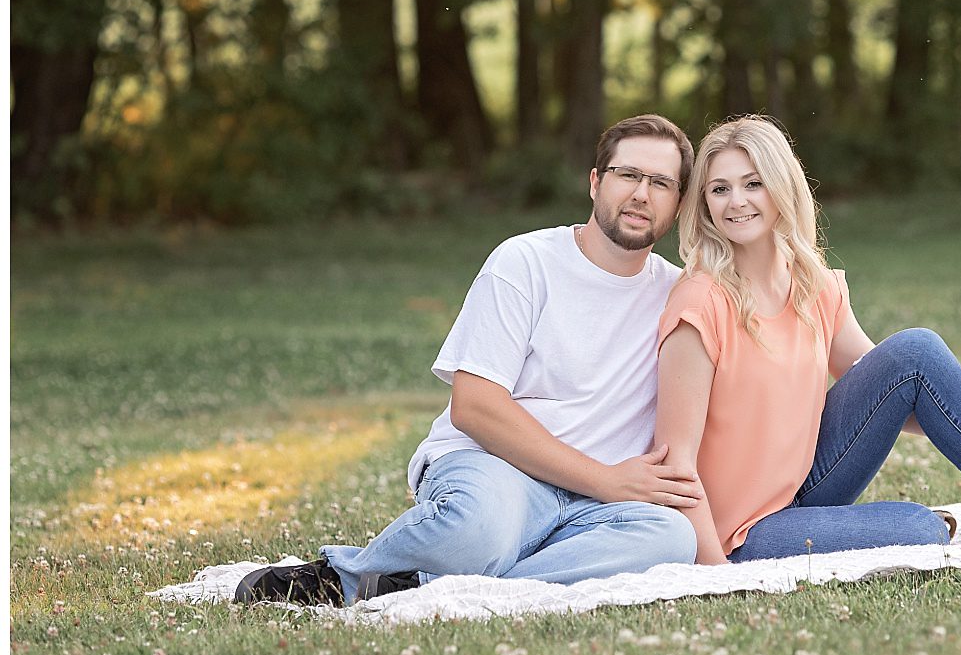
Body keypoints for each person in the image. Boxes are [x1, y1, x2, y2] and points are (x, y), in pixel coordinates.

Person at [235, 115, 705, 606]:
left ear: (678, 201)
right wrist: (605, 478)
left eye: (660, 183)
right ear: (595, 182)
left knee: (670, 537)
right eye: (627, 175)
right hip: (496, 469)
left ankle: (425, 585)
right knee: (480, 527)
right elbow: (475, 408)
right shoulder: (524, 262)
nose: (641, 194)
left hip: (596, 507)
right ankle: (343, 577)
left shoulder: (678, 297)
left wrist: (609, 488)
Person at [656, 115, 961, 564]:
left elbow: (904, 390)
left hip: (808, 486)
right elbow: (675, 467)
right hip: (741, 532)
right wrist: (716, 572)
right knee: (921, 527)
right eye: (720, 189)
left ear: (782, 188)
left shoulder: (814, 286)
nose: (736, 202)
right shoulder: (699, 303)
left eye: (753, 183)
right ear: (704, 202)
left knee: (916, 351)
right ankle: (879, 530)